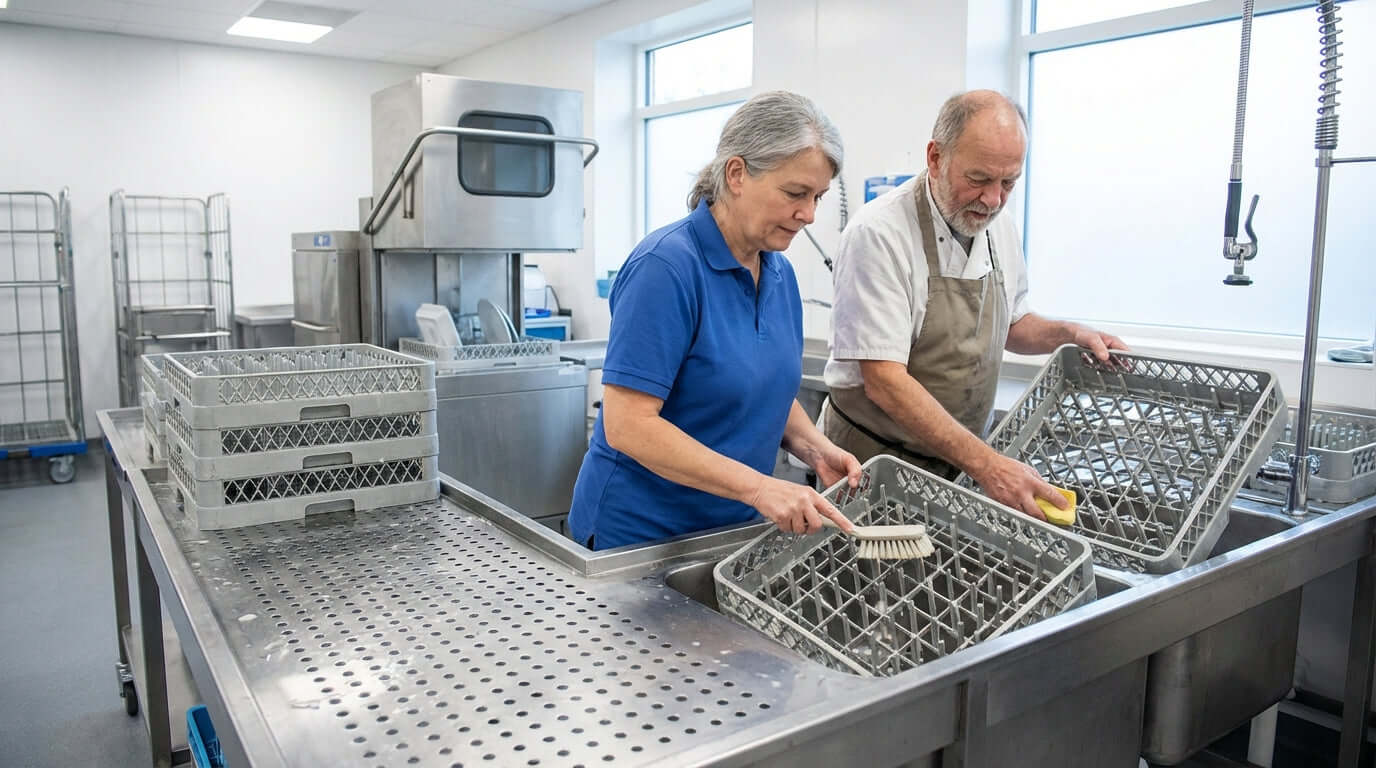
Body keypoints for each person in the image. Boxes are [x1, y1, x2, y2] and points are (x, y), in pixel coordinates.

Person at [568, 91, 861, 550]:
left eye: (818, 197)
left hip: (728, 531)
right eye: (795, 193)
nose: (808, 215)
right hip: (639, 537)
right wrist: (762, 488)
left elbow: (763, 389)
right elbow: (628, 425)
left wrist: (813, 446)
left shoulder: (779, 274)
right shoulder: (665, 269)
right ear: (737, 174)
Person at [820, 90, 1128, 521]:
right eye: (979, 178)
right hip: (873, 467)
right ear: (935, 157)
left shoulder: (998, 228)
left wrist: (1068, 334)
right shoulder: (879, 234)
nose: (993, 200)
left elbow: (1011, 323)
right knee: (869, 585)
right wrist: (987, 465)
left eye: (1009, 183)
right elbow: (884, 380)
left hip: (957, 464)